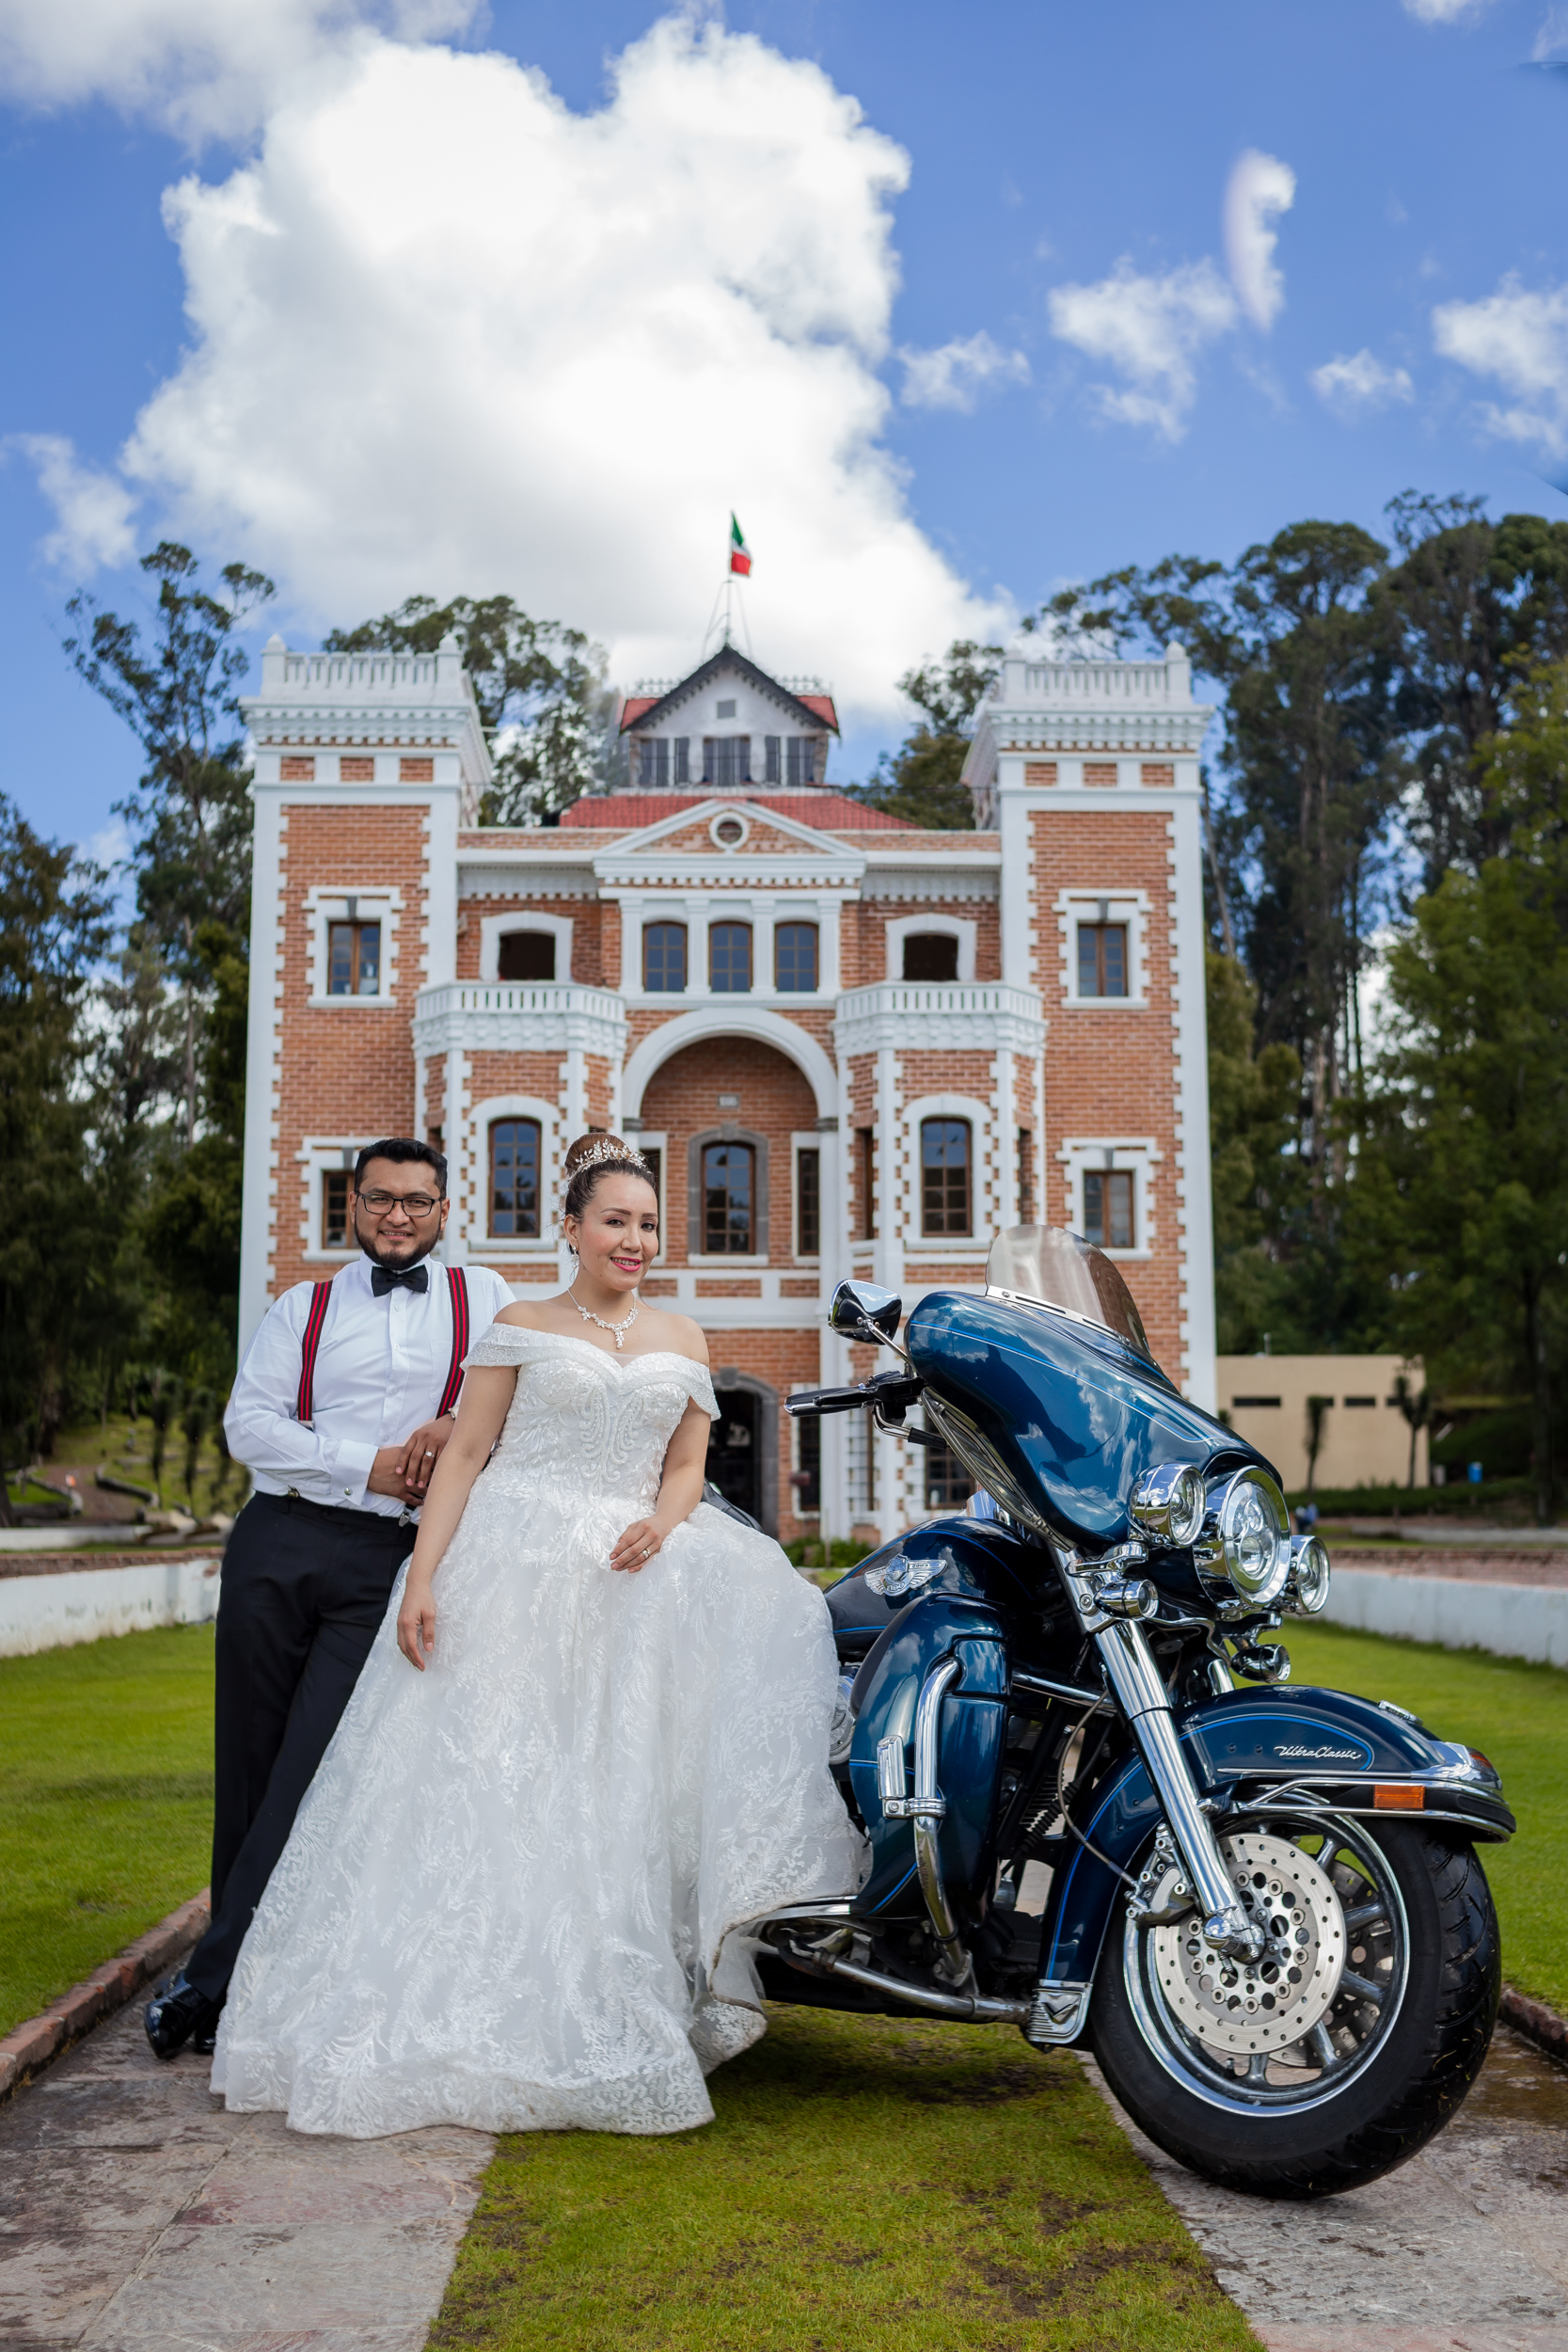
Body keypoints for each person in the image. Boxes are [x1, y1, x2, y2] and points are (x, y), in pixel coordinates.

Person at [210, 1134, 864, 2137]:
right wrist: (422, 1576)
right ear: (570, 1228)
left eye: (648, 1224)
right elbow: (467, 1455)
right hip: (508, 1568)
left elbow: (687, 1466)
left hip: (623, 1581)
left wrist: (666, 1519)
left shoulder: (684, 1340)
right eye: (614, 1220)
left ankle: (613, 1982)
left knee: (609, 1789)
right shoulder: (516, 1322)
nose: (633, 1238)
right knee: (489, 1781)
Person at [144, 1139, 515, 2060]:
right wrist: (368, 1463)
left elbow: (519, 1408)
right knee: (252, 1763)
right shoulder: (300, 1306)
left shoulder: (489, 1302)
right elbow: (250, 1426)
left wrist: (454, 1421)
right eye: (381, 1199)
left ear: (442, 1208)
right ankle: (232, 1987)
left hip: (390, 1560)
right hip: (280, 1540)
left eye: (416, 1202)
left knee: (314, 1766)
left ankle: (210, 1976)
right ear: (352, 1204)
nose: (398, 1216)